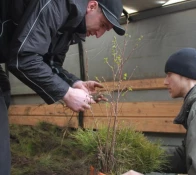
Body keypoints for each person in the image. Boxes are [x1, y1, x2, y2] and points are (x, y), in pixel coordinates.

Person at [0, 0, 125, 174]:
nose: (99, 34)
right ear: (91, 6)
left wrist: (74, 83)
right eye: (103, 25)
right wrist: (66, 93)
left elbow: (49, 62)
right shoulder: (60, 4)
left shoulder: (69, 25)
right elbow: (24, 58)